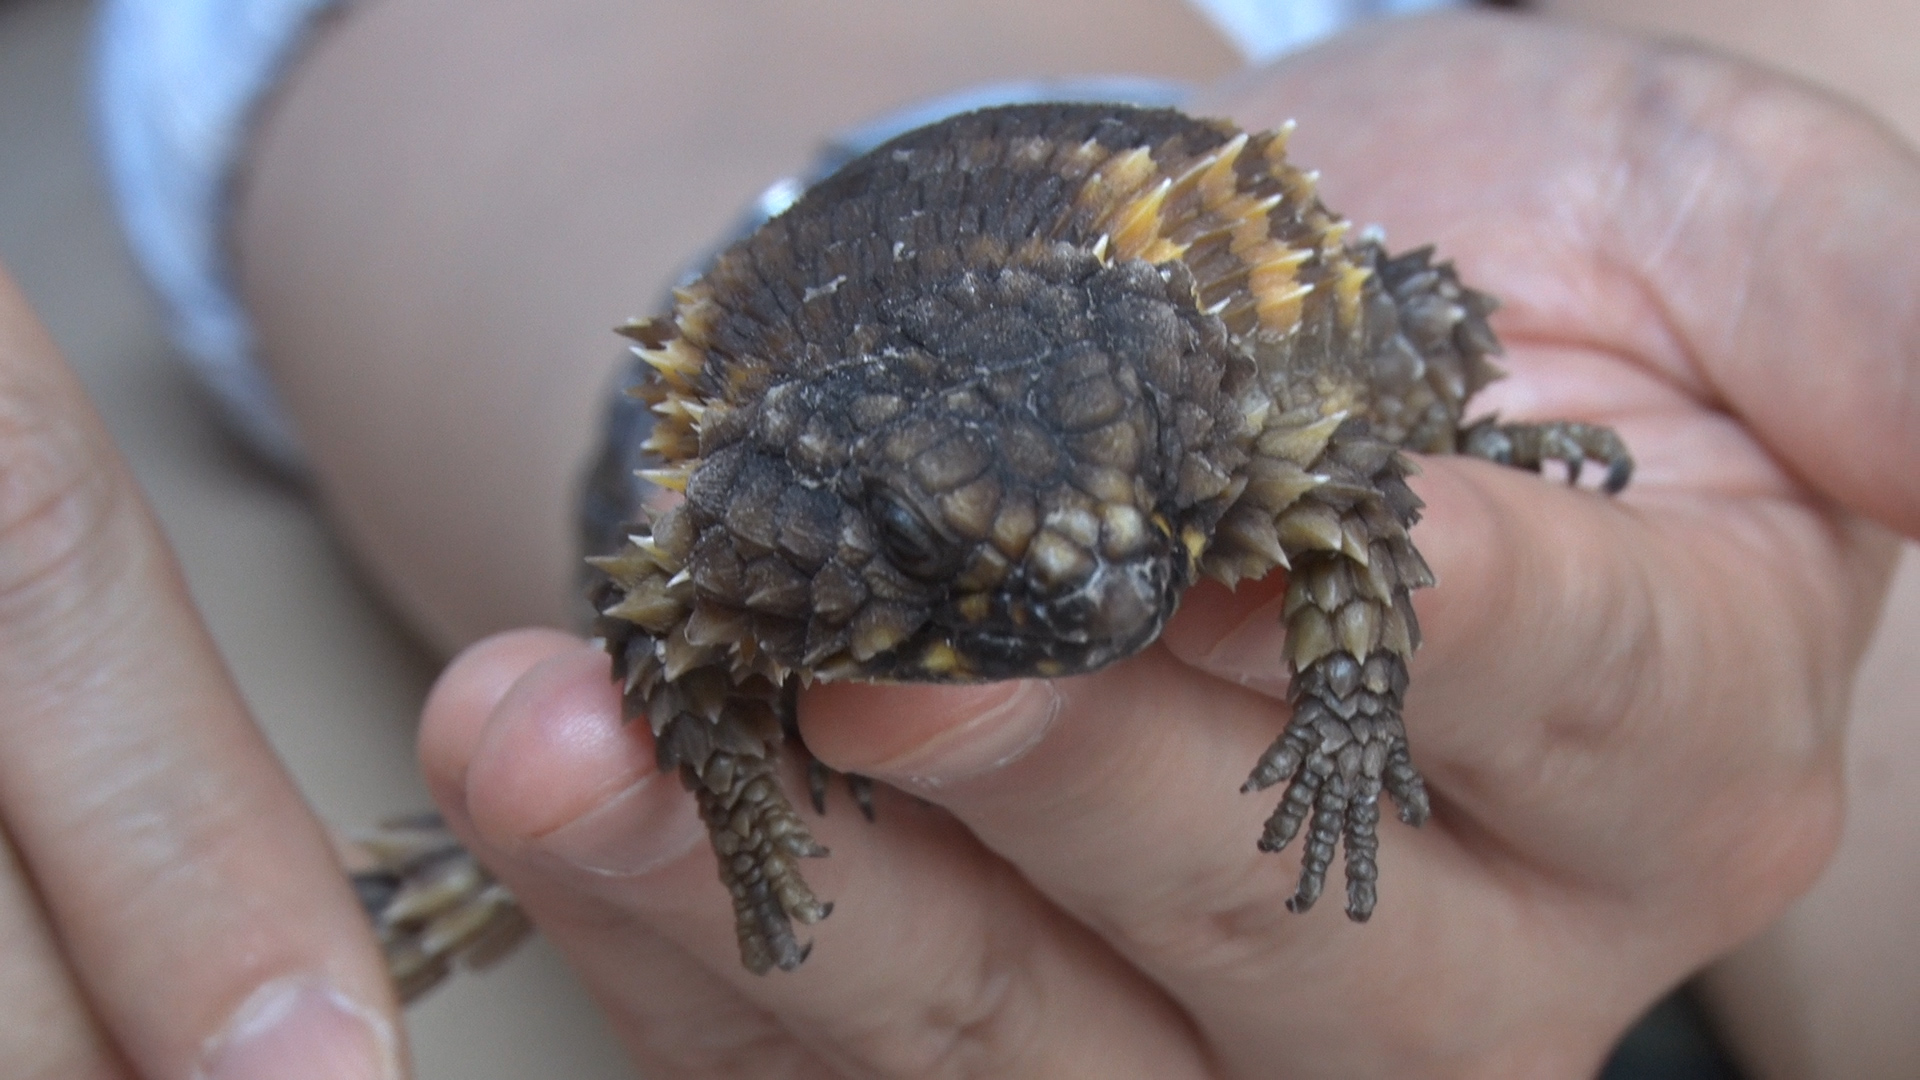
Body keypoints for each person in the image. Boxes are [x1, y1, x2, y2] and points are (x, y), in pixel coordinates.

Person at [0, 2, 1914, 1078]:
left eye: (1112, 545)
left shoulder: (1211, 423)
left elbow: (1333, 498)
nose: (1097, 594)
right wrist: (741, 812)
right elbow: (668, 611)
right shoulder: (789, 536)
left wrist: (1343, 713)